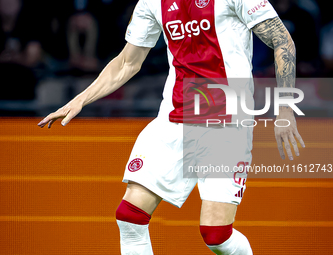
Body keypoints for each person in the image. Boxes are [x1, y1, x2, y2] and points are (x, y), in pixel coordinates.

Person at [38, 0, 306, 254]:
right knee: (129, 216)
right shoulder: (151, 3)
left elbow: (283, 41)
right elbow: (127, 62)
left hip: (227, 119)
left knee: (217, 236)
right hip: (174, 115)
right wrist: (80, 100)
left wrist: (284, 110)